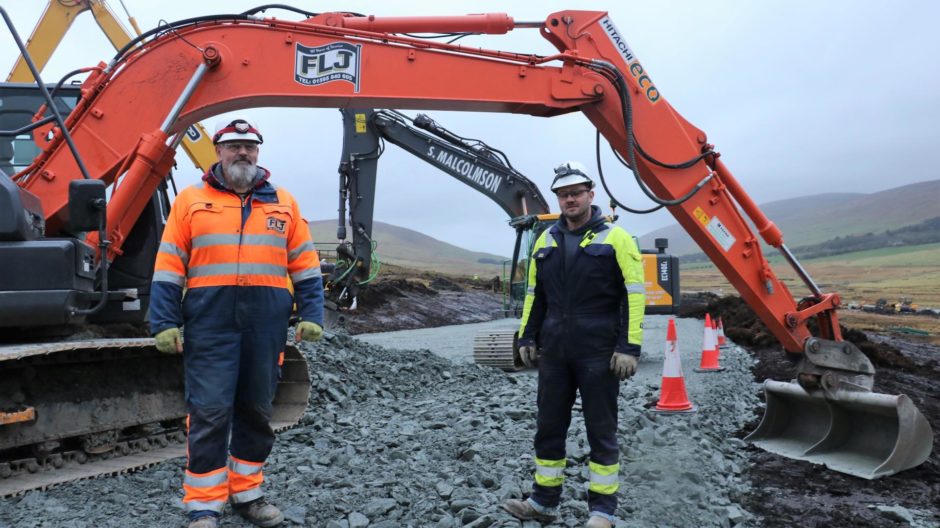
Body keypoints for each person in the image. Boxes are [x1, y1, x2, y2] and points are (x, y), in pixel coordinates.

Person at [149, 117, 324, 528]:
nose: (242, 152)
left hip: (265, 323)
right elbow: (169, 264)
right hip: (211, 321)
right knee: (209, 411)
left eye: (250, 146)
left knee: (256, 410)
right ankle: (203, 504)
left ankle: (247, 493)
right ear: (219, 152)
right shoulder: (191, 201)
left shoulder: (283, 202)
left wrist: (313, 313)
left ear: (258, 152)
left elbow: (305, 264)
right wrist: (163, 321)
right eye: (234, 146)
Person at [502, 161, 646, 528]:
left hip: (598, 349)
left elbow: (633, 296)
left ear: (590, 195)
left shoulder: (617, 238)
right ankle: (543, 503)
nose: (569, 199)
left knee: (601, 429)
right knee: (549, 426)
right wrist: (527, 335)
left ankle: (602, 511)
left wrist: (629, 347)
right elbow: (535, 294)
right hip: (554, 350)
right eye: (563, 194)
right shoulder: (545, 239)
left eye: (576, 193)